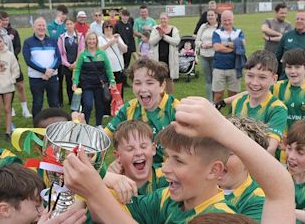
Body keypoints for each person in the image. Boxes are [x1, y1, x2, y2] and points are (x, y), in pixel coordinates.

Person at [63, 96, 295, 224]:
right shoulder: (171, 199)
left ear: (214, 170)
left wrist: (95, 189)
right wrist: (104, 178)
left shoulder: (221, 218)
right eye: (166, 158)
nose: (164, 168)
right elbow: (282, 191)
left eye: (178, 161)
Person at [104, 58, 179, 166]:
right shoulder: (130, 108)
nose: (143, 89)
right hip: (137, 173)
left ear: (162, 86)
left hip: (167, 175)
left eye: (149, 83)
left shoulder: (175, 110)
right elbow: (104, 136)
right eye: (138, 83)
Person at [231, 50, 287, 157]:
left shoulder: (278, 109)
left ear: (274, 79)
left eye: (262, 77)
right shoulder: (237, 102)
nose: (254, 83)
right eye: (250, 75)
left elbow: (269, 148)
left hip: (260, 169)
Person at [219, 117, 268, 221]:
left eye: (229, 153)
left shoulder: (257, 200)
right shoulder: (201, 184)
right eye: (216, 149)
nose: (218, 158)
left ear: (250, 161)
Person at [110, 120, 168, 195]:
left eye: (143, 147)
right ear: (118, 156)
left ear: (153, 149)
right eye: (130, 149)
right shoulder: (112, 187)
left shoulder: (168, 176)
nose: (138, 153)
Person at [72, 32, 115, 127]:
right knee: (88, 105)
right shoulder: (82, 54)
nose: (91, 41)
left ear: (96, 41)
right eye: (89, 39)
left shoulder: (102, 53)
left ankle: (99, 125)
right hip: (86, 84)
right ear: (86, 41)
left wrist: (112, 80)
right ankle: (85, 124)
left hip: (100, 84)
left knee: (100, 105)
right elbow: (77, 69)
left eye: (93, 39)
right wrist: (75, 82)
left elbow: (108, 68)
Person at [23, 17, 61, 118]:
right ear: (34, 27)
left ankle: (56, 125)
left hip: (52, 77)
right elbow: (28, 60)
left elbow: (58, 58)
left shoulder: (52, 41)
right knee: (37, 103)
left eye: (43, 25)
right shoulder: (28, 42)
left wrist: (49, 72)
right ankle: (37, 127)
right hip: (36, 78)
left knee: (54, 103)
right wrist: (44, 71)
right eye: (39, 25)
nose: (41, 27)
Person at [0, 11, 33, 118]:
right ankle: (11, 108)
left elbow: (18, 46)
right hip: (2, 65)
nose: (5, 22)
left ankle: (25, 110)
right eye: (3, 20)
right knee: (7, 88)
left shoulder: (14, 31)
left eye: (6, 19)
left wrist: (11, 55)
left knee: (20, 86)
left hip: (14, 63)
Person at [212, 10, 245, 103]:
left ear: (233, 20)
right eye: (225, 20)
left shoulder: (239, 32)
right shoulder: (217, 32)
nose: (227, 22)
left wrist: (223, 44)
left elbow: (242, 46)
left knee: (234, 96)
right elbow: (216, 47)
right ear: (221, 20)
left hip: (234, 67)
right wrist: (233, 46)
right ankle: (215, 114)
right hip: (219, 67)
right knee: (218, 95)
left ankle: (233, 116)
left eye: (229, 20)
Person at [149, 12, 180, 91]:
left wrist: (164, 36)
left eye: (164, 18)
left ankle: (170, 98)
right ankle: (160, 97)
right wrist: (159, 36)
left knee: (169, 78)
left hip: (170, 58)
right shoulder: (155, 29)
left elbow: (176, 41)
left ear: (168, 19)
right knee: (158, 79)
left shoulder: (173, 29)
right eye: (161, 19)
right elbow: (151, 42)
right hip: (158, 58)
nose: (163, 20)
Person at [58, 18, 85, 106]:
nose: (69, 26)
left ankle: (80, 102)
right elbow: (60, 53)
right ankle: (72, 102)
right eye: (67, 24)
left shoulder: (80, 36)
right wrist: (68, 64)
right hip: (67, 66)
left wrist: (75, 63)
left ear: (74, 25)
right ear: (65, 26)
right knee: (69, 84)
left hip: (78, 65)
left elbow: (82, 50)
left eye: (71, 24)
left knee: (79, 83)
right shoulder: (61, 38)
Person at [98, 20, 127, 99]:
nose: (108, 28)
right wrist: (110, 43)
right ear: (103, 28)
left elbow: (125, 50)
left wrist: (118, 42)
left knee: (119, 90)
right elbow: (99, 50)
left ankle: (118, 107)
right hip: (107, 69)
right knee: (108, 92)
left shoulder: (117, 37)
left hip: (118, 67)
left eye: (110, 27)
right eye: (106, 27)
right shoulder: (100, 38)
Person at [195, 9, 219, 102]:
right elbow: (197, 40)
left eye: (212, 15)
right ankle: (210, 101)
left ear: (216, 16)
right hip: (204, 56)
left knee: (215, 80)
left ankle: (216, 100)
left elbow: (222, 41)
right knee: (208, 80)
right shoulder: (203, 26)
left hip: (215, 56)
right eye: (208, 15)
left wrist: (212, 44)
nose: (210, 17)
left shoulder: (219, 27)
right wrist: (201, 44)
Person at [285, 120, 305, 223]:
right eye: (289, 148)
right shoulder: (279, 177)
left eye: (300, 153)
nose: (291, 156)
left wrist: (289, 211)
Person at [276, 10, 305, 80]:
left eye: (302, 19)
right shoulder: (287, 35)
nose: (299, 21)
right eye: (297, 19)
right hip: (285, 77)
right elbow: (277, 56)